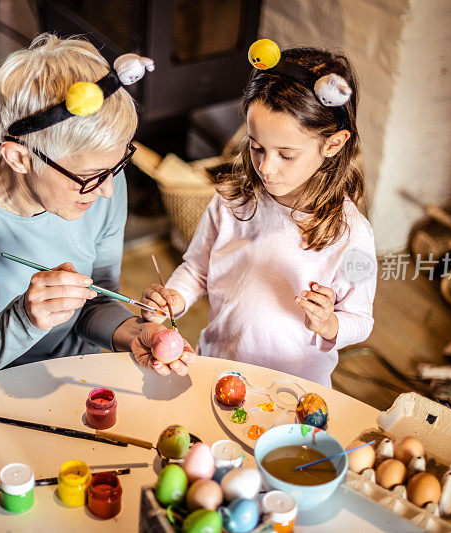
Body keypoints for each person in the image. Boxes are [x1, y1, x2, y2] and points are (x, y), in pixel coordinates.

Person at [0, 33, 194, 403]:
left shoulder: (103, 178)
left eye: (116, 167)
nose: (108, 192)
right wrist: (25, 319)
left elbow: (94, 303)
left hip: (63, 382)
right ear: (19, 158)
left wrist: (133, 335)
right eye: (89, 178)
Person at [141, 43, 376, 387]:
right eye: (257, 147)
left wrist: (329, 324)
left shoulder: (351, 234)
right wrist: (174, 296)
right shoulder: (232, 200)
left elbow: (360, 319)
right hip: (218, 369)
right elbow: (197, 269)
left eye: (286, 154)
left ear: (333, 145)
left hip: (295, 388)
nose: (266, 167)